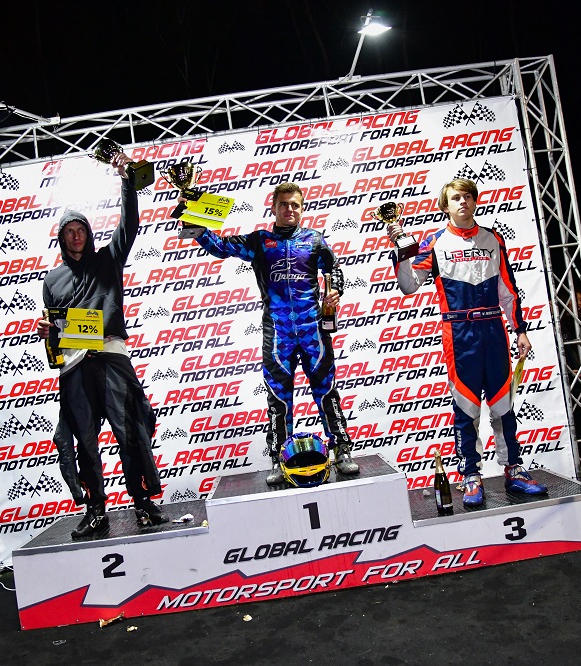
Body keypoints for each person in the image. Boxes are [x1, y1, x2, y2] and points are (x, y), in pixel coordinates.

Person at [387, 178, 547, 506]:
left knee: (503, 405)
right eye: (455, 198)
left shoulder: (493, 239)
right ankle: (471, 475)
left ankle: (514, 470)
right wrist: (401, 254)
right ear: (445, 207)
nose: (462, 202)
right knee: (466, 407)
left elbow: (507, 289)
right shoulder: (434, 242)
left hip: (493, 329)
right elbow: (409, 286)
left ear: (475, 201)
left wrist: (520, 329)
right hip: (459, 333)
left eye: (467, 197)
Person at [190, 182, 360, 485]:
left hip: (313, 330)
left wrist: (335, 291)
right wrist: (193, 219)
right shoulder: (259, 241)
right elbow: (220, 246)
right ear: (274, 208)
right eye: (284, 204)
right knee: (279, 399)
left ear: (302, 209)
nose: (289, 210)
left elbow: (333, 268)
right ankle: (279, 459)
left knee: (326, 391)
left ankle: (342, 450)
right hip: (277, 333)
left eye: (295, 205)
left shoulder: (314, 239)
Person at [37, 150, 166, 537]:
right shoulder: (51, 280)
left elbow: (130, 223)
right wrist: (49, 335)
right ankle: (96, 510)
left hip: (110, 355)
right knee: (84, 442)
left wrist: (127, 180)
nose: (76, 236)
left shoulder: (108, 259)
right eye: (69, 231)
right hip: (75, 364)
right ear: (61, 238)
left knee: (131, 432)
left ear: (89, 234)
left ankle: (142, 503)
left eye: (81, 230)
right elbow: (54, 335)